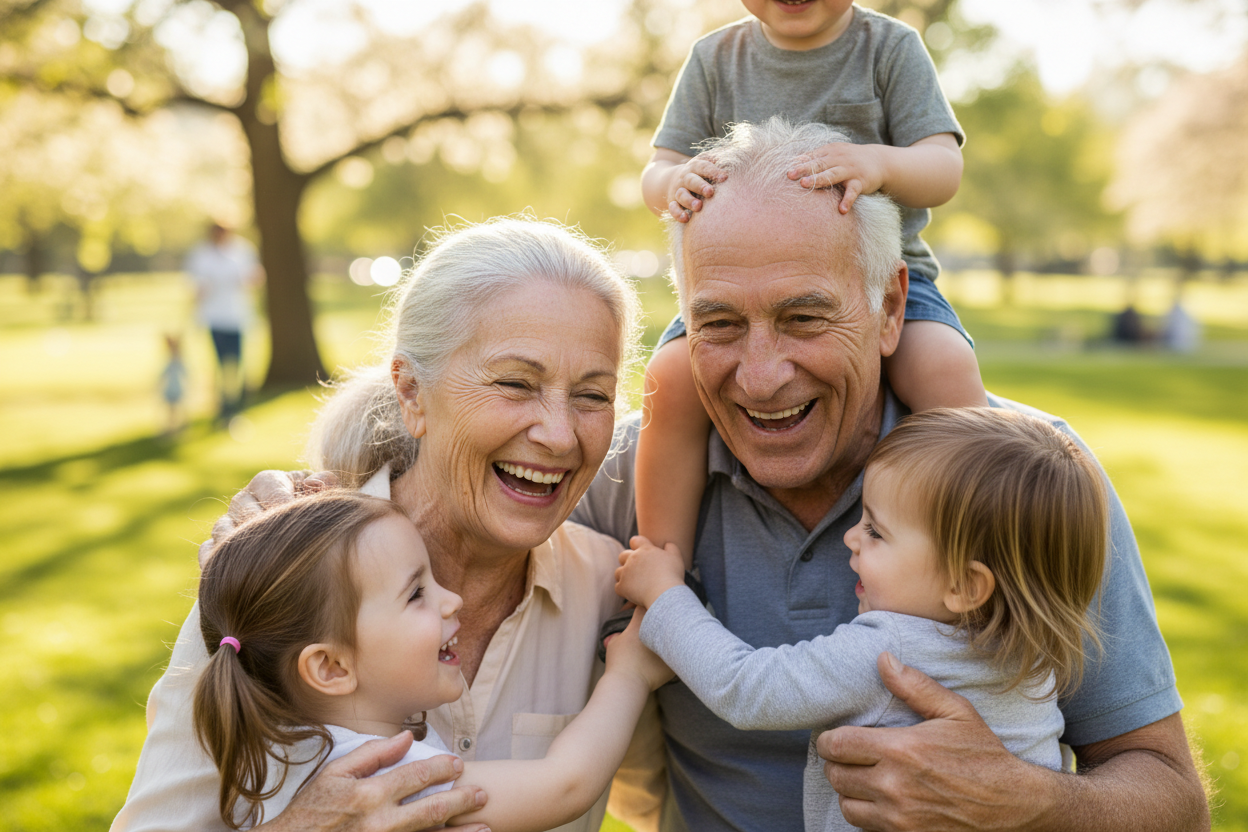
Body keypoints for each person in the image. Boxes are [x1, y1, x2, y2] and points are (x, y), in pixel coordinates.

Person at [571, 119, 1207, 831]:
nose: (760, 375)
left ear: (891, 308)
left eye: (805, 316)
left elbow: (1175, 802)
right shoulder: (620, 478)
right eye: (716, 324)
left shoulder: (1030, 482)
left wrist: (1029, 801)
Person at [112, 217, 645, 832]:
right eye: (514, 383)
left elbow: (686, 798)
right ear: (412, 392)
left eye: (593, 395)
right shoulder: (287, 576)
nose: (559, 434)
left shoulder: (615, 590)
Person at [614, 407, 1107, 831]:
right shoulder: (1036, 659)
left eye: (875, 531)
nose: (851, 539)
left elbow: (747, 688)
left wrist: (664, 595)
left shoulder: (889, 650)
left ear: (964, 587)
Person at [634, 1, 985, 566]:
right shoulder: (715, 58)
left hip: (883, 272)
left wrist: (881, 165)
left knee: (943, 363)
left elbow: (943, 166)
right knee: (670, 378)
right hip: (737, 282)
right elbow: (658, 169)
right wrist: (676, 179)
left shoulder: (888, 47)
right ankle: (662, 566)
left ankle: (977, 549)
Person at [194, 491, 669, 831]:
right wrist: (629, 673)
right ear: (331, 668)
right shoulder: (381, 781)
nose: (452, 600)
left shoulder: (272, 758)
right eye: (417, 593)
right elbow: (565, 786)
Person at [185, 223, 262, 421]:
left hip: (237, 317)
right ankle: (222, 407)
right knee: (220, 365)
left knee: (235, 364)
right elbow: (193, 285)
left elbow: (256, 277)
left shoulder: (242, 251)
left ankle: (234, 407)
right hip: (213, 317)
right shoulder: (201, 254)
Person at [158, 333, 187, 437]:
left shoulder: (180, 362)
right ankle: (170, 429)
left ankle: (177, 429)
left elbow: (186, 374)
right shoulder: (170, 362)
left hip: (177, 389)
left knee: (177, 410)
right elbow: (162, 375)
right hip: (169, 390)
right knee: (170, 411)